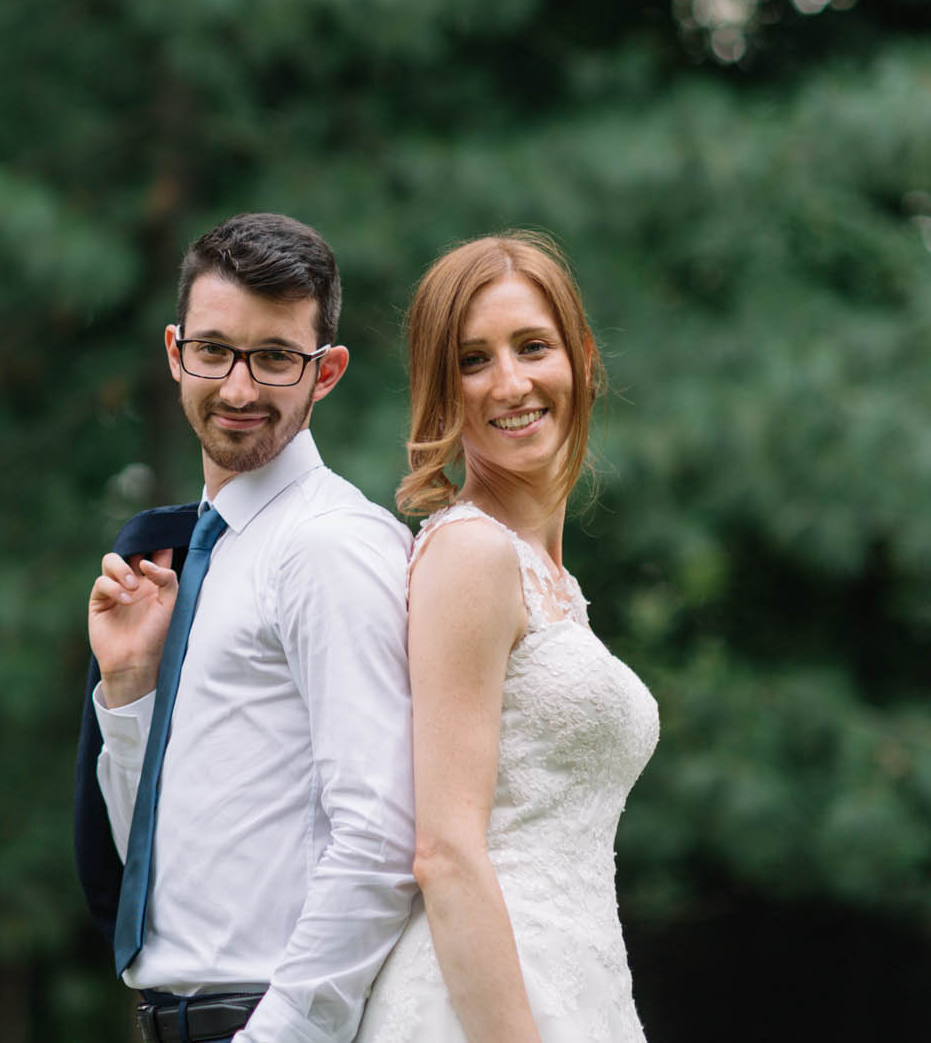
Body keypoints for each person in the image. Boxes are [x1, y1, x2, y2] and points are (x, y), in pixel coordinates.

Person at [78, 213, 416, 1043]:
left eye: (273, 357)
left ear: (326, 371)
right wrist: (128, 694)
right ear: (174, 351)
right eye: (214, 350)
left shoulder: (330, 546)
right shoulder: (198, 556)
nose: (237, 388)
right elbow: (154, 868)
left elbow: (380, 831)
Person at [355, 231, 658, 1043]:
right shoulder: (471, 552)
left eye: (532, 346)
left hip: (579, 984)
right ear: (441, 389)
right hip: (486, 1004)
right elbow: (446, 851)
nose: (511, 382)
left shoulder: (550, 582)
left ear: (582, 357)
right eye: (473, 360)